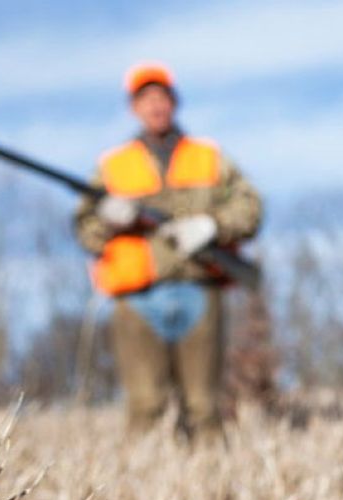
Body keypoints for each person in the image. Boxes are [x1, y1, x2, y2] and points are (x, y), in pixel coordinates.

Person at [74, 62, 262, 442]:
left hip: (200, 288)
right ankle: (134, 495)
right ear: (134, 108)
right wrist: (110, 218)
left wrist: (211, 226)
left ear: (174, 103)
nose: (155, 106)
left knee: (205, 408)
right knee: (145, 408)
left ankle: (213, 487)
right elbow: (85, 230)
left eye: (161, 97)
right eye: (146, 99)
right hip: (138, 297)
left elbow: (251, 209)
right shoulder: (113, 165)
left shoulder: (210, 155)